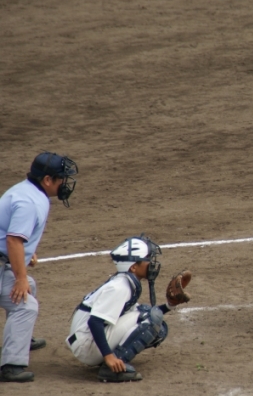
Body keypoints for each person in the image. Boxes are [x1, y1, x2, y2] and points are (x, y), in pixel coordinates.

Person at [66, 235, 189, 382]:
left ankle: (110, 359)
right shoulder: (119, 287)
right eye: (147, 259)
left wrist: (170, 305)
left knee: (156, 324)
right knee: (150, 318)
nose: (151, 263)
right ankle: (111, 368)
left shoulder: (125, 281)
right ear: (133, 267)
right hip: (86, 345)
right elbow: (94, 322)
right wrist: (109, 356)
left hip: (87, 340)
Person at [0, 152, 78, 382]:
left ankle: (20, 337)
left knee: (29, 286)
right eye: (61, 178)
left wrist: (27, 253)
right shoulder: (29, 203)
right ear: (47, 180)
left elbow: (10, 234)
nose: (64, 183)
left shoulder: (26, 191)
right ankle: (11, 365)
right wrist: (20, 277)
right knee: (26, 305)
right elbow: (13, 240)